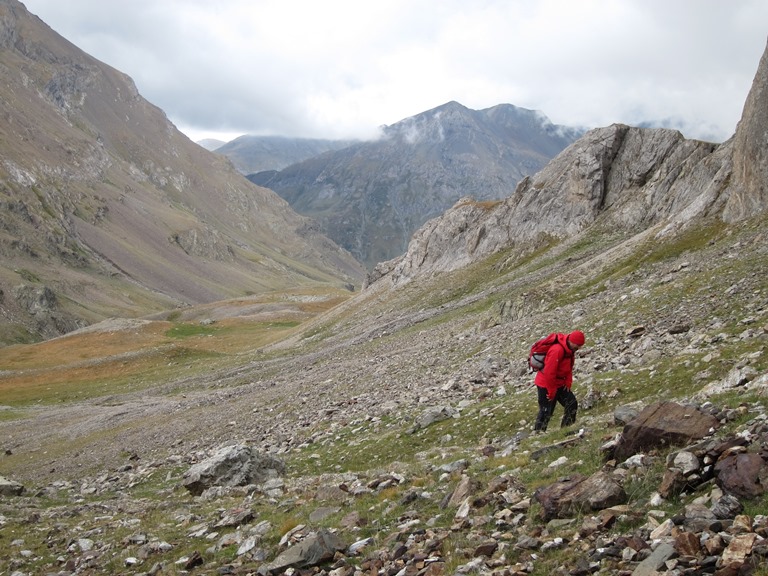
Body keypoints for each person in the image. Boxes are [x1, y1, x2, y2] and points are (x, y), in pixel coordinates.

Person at [533, 330, 585, 432]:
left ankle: (566, 430)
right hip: (546, 384)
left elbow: (569, 367)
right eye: (578, 345)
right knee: (546, 411)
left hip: (560, 383)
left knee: (572, 403)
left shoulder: (570, 350)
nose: (579, 348)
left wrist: (568, 382)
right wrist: (551, 391)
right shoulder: (557, 350)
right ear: (571, 341)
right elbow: (549, 372)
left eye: (580, 345)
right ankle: (538, 434)